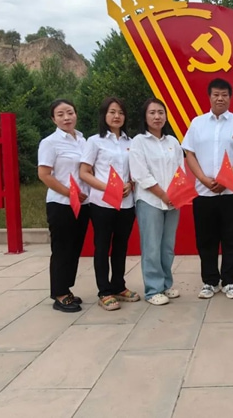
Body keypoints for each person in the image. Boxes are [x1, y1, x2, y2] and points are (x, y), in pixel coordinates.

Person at [182, 78, 233, 299]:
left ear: (230, 97)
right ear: (209, 97)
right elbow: (189, 153)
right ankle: (210, 281)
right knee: (206, 239)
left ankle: (229, 281)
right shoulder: (197, 123)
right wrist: (202, 178)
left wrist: (226, 179)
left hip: (232, 193)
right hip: (204, 193)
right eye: (216, 95)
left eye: (224, 95)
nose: (220, 98)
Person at [80, 97, 140, 311]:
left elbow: (135, 172)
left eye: (121, 112)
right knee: (103, 246)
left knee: (121, 246)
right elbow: (84, 172)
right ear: (104, 115)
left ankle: (118, 286)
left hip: (126, 204)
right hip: (102, 203)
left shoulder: (131, 142)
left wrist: (130, 184)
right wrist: (107, 187)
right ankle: (104, 291)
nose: (117, 116)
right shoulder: (94, 141)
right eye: (112, 112)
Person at [128, 98, 183, 306]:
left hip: (172, 201)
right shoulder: (139, 142)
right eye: (152, 113)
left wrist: (176, 194)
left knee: (167, 246)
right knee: (151, 246)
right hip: (150, 200)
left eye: (161, 112)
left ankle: (166, 284)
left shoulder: (173, 142)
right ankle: (153, 290)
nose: (157, 116)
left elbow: (181, 170)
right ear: (145, 117)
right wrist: (163, 194)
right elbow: (140, 174)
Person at [38, 99, 90, 313]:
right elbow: (44, 174)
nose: (66, 117)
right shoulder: (50, 143)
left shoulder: (83, 140)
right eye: (60, 114)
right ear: (53, 119)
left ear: (76, 114)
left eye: (70, 112)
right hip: (61, 204)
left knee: (75, 247)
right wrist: (70, 193)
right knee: (61, 248)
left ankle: (66, 289)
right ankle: (59, 294)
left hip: (83, 203)